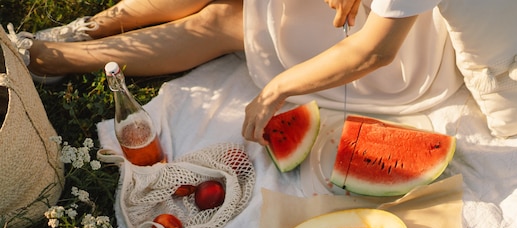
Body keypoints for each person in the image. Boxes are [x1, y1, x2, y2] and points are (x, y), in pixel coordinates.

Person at [8, 0, 462, 144]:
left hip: (404, 48)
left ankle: (49, 59)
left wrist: (277, 88)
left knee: (222, 17)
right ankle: (88, 29)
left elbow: (374, 52)